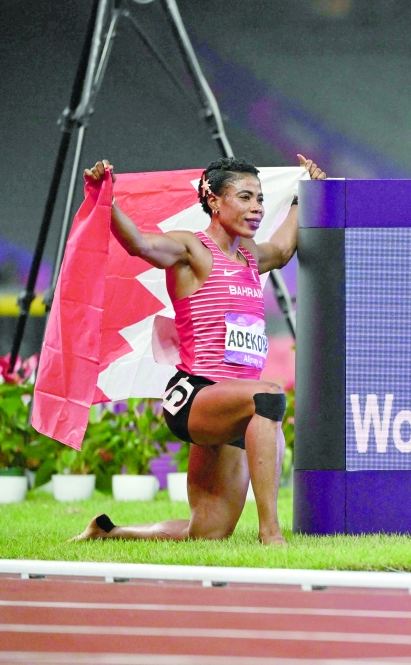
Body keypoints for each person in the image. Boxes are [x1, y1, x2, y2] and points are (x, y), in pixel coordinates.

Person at [73, 154, 326, 546]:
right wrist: (106, 199)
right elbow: (140, 245)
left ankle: (107, 533)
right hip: (195, 397)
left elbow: (283, 248)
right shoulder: (192, 249)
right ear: (214, 201)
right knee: (270, 395)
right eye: (245, 197)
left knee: (208, 532)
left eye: (260, 199)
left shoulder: (250, 257)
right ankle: (271, 534)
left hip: (236, 405)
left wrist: (302, 197)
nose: (257, 208)